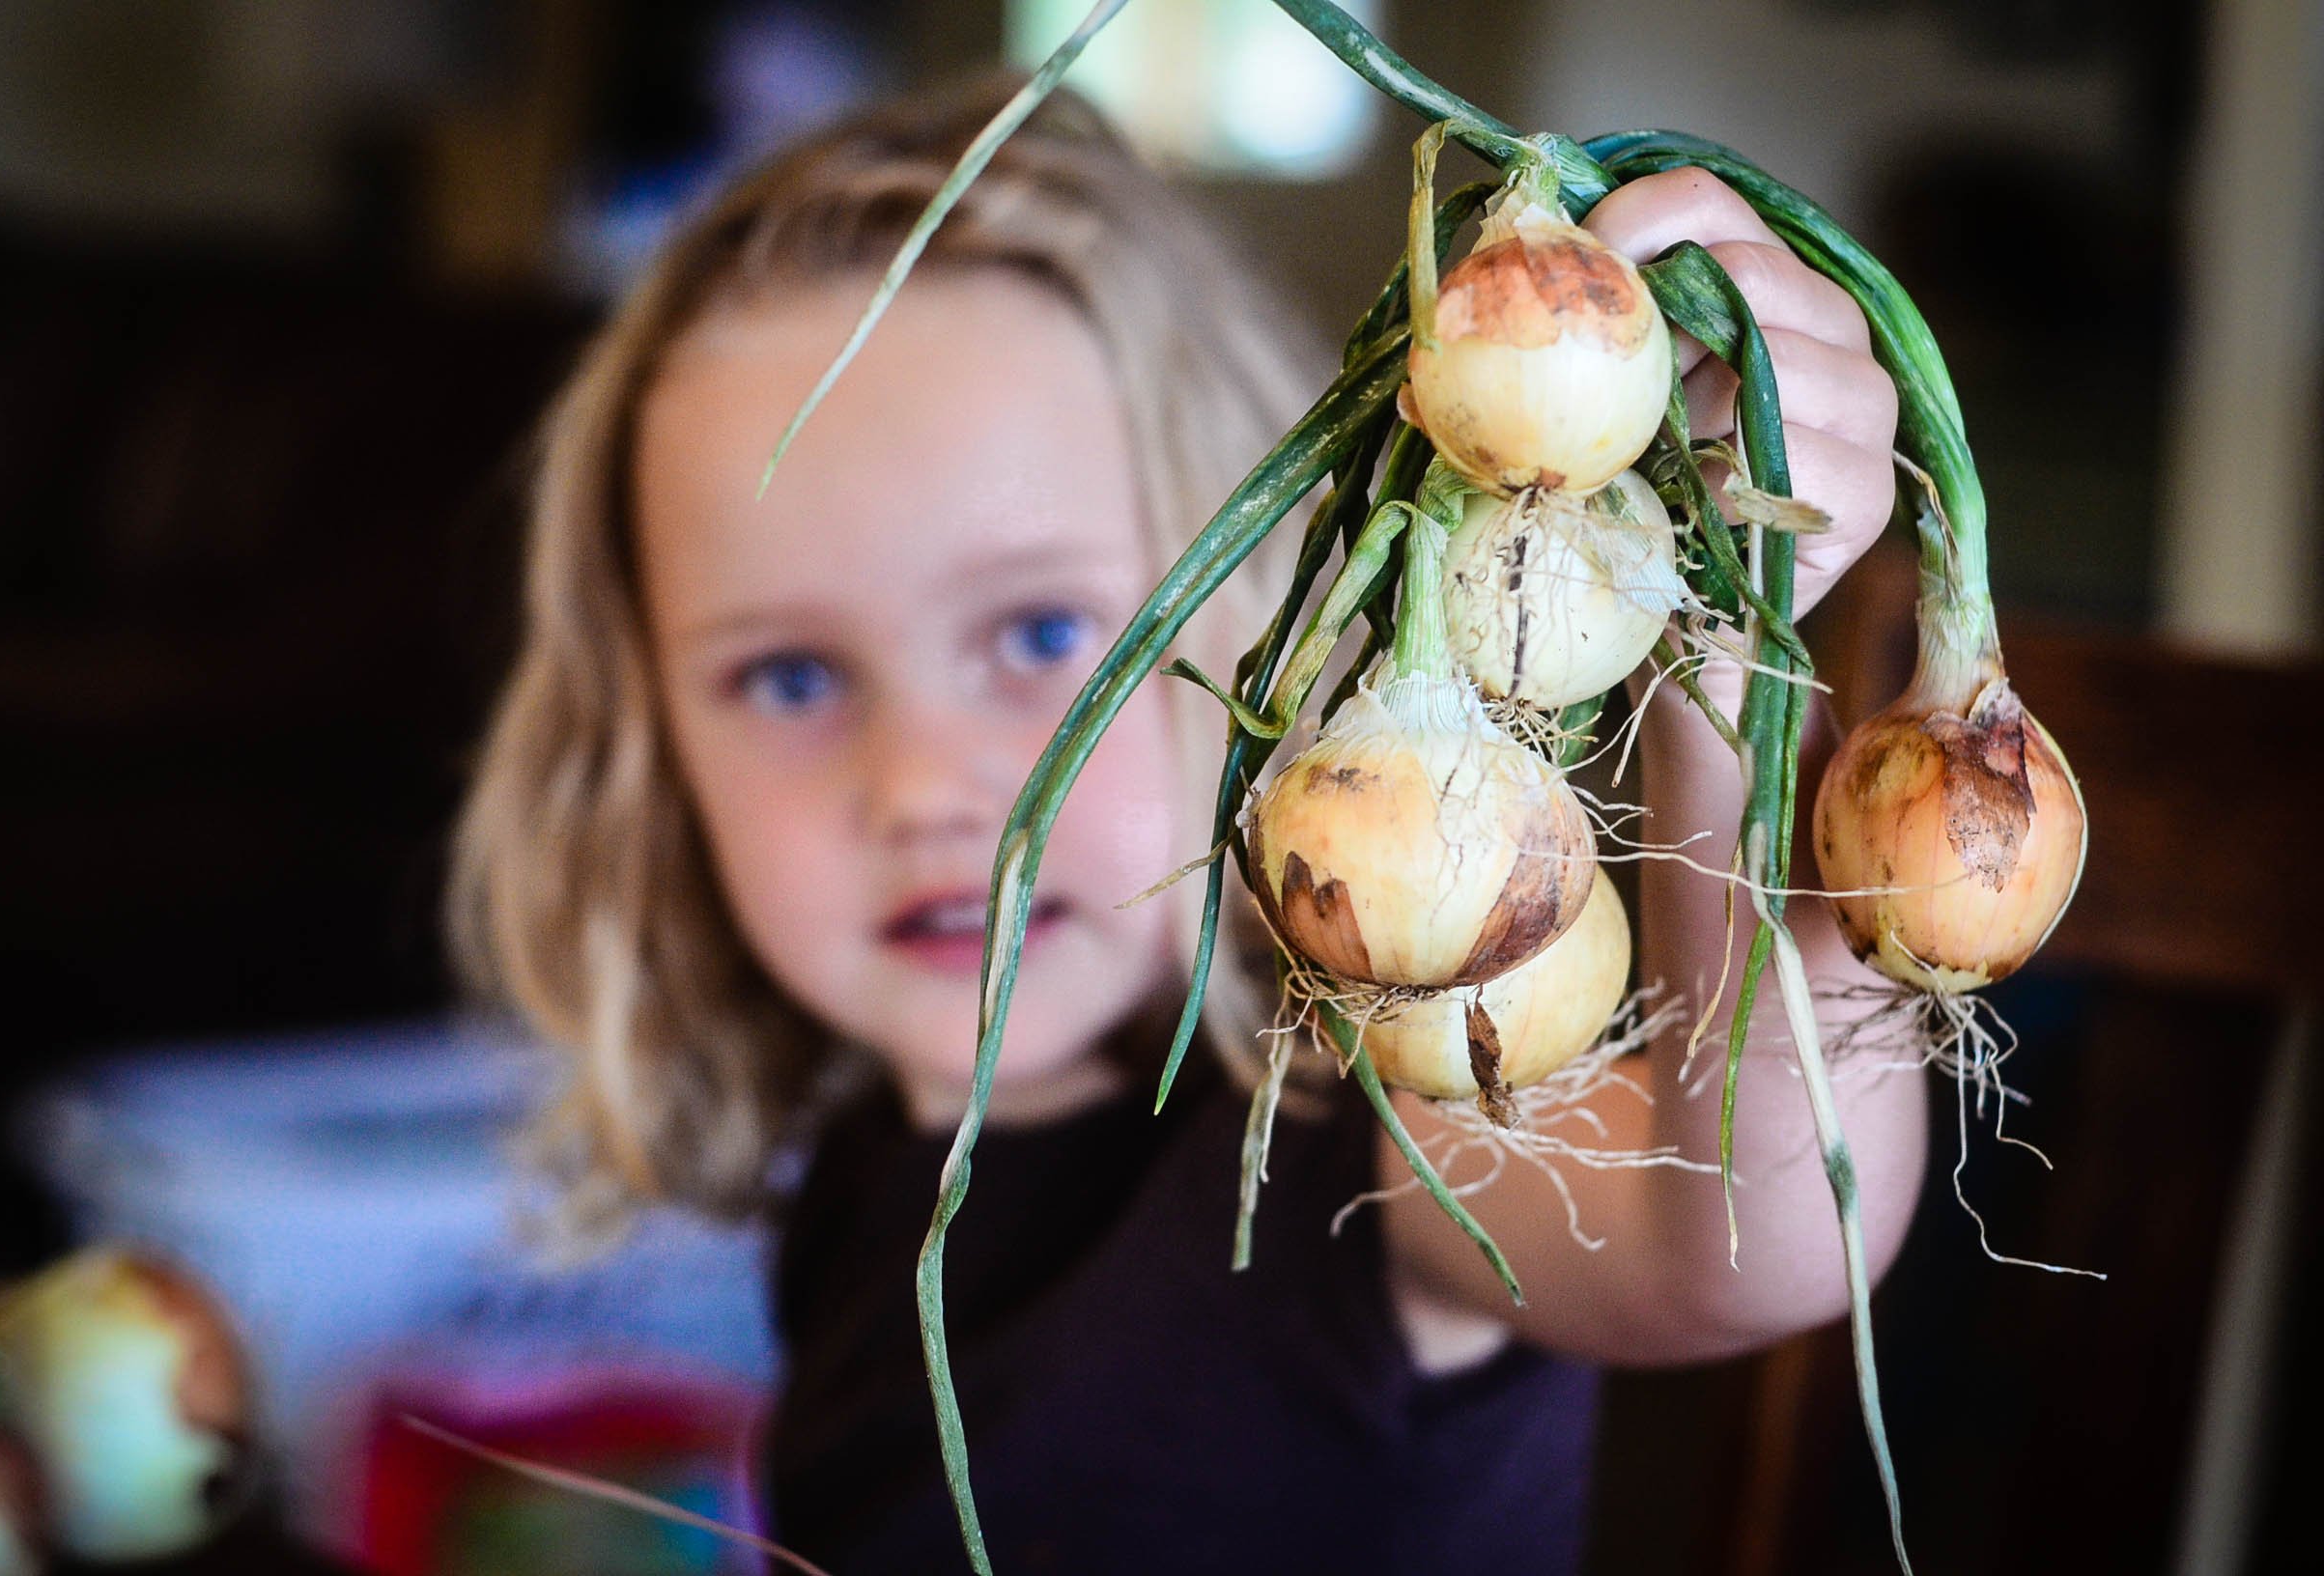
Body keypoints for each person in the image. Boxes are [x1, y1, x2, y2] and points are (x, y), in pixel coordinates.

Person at [450, 73, 1926, 1575]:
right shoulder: (858, 1188)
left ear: (1278, 616)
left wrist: (1709, 641)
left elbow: (1745, 1238)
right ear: (644, 752)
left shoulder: (1371, 1139)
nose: (918, 788)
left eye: (1037, 640)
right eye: (790, 675)